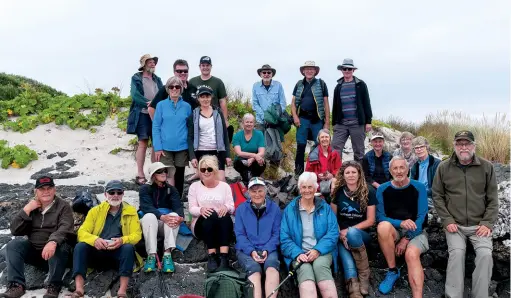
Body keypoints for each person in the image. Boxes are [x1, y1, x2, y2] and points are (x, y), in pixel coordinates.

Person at [432, 130, 498, 298]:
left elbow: (493, 199)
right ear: (454, 146)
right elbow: (437, 195)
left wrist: (487, 223)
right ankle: (453, 296)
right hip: (455, 226)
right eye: (459, 144)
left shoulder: (486, 167)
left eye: (467, 144)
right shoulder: (443, 167)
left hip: (479, 226)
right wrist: (447, 220)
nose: (463, 147)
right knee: (457, 253)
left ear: (473, 146)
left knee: (485, 255)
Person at [0, 176, 74, 298]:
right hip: (35, 252)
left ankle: (53, 286)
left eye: (49, 188)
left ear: (54, 189)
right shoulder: (32, 206)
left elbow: (65, 228)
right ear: (36, 191)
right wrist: (27, 210)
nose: (46, 192)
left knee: (61, 245)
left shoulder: (63, 206)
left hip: (56, 254)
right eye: (42, 189)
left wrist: (53, 241)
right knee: (13, 245)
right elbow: (14, 230)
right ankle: (16, 286)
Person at [70, 180, 142, 298]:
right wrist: (95, 240)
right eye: (111, 192)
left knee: (128, 248)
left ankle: (122, 291)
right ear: (105, 195)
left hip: (118, 253)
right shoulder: (95, 211)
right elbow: (82, 232)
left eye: (119, 192)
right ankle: (79, 290)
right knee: (80, 246)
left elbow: (137, 235)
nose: (115, 195)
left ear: (123, 194)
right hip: (97, 250)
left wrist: (122, 240)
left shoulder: (131, 211)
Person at [376, 157, 428, 297]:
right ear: (390, 171)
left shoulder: (419, 187)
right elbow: (380, 216)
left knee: (411, 254)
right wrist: (400, 223)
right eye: (395, 168)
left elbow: (422, 218)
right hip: (395, 230)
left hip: (416, 231)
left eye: (402, 168)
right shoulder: (382, 189)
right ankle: (392, 271)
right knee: (383, 226)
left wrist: (406, 239)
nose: (399, 171)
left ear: (407, 169)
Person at [280, 172, 339, 298]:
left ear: (315, 188)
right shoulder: (289, 210)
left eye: (310, 187)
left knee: (320, 266)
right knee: (304, 270)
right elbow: (284, 239)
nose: (307, 190)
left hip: (322, 252)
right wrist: (297, 253)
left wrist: (317, 250)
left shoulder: (325, 207)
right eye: (304, 187)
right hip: (300, 253)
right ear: (299, 188)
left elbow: (333, 233)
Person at [330, 161, 376, 298]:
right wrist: (340, 234)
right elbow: (333, 219)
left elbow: (371, 220)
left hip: (361, 236)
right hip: (340, 235)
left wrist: (348, 231)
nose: (351, 175)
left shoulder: (369, 191)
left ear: (359, 174)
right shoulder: (338, 192)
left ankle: (364, 275)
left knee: (353, 233)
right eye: (347, 172)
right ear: (343, 175)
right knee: (347, 260)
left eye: (354, 172)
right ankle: (354, 291)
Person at [235, 177, 281, 298]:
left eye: (260, 190)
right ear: (248, 192)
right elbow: (240, 235)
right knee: (253, 268)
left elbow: (277, 234)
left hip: (269, 248)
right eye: (253, 191)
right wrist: (251, 251)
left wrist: (266, 249)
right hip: (246, 250)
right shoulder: (240, 209)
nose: (257, 194)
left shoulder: (275, 209)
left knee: (272, 266)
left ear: (265, 191)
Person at [188, 155, 235, 272]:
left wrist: (226, 207)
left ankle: (224, 257)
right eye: (203, 170)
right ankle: (212, 255)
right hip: (202, 223)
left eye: (209, 169)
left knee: (223, 213)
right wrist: (201, 210)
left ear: (214, 170)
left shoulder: (224, 186)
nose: (206, 172)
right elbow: (191, 208)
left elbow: (232, 207)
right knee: (211, 213)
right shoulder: (194, 187)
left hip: (221, 223)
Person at [139, 162, 185, 273]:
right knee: (149, 216)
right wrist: (161, 216)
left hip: (166, 224)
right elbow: (146, 207)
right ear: (153, 175)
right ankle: (151, 255)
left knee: (174, 215)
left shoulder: (172, 189)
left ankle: (167, 254)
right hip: (150, 223)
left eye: (165, 170)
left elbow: (178, 207)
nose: (164, 173)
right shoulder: (145, 189)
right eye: (160, 171)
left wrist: (180, 218)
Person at [152, 76, 192, 197]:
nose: (174, 89)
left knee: (180, 174)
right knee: (166, 174)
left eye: (177, 86)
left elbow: (190, 128)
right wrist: (157, 147)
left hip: (182, 146)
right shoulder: (160, 105)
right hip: (165, 147)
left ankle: (178, 198)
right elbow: (156, 127)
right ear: (167, 88)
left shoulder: (187, 106)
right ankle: (167, 197)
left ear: (181, 88)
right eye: (171, 86)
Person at [128, 54, 163, 185]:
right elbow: (135, 95)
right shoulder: (136, 77)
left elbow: (162, 94)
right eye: (150, 62)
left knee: (156, 143)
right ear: (144, 64)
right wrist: (147, 103)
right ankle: (140, 173)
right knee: (142, 142)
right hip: (142, 113)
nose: (153, 64)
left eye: (154, 62)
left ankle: (155, 171)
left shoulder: (157, 79)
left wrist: (156, 105)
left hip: (156, 114)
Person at [291, 61, 330, 176]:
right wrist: (295, 116)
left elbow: (326, 103)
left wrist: (327, 122)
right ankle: (298, 173)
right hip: (302, 119)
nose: (309, 71)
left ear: (315, 71)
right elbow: (293, 103)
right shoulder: (299, 84)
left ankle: (319, 172)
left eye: (311, 69)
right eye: (307, 69)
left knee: (320, 146)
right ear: (303, 71)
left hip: (317, 119)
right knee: (300, 146)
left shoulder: (321, 84)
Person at [331, 58, 373, 162]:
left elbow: (366, 103)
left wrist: (368, 121)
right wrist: (334, 124)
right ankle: (338, 175)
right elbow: (335, 106)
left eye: (349, 69)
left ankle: (359, 175)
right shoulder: (338, 87)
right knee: (335, 149)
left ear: (353, 70)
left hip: (357, 123)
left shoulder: (361, 85)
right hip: (341, 123)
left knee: (359, 151)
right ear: (341, 70)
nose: (347, 71)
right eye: (345, 69)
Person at [187, 86, 231, 182]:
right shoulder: (193, 114)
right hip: (201, 150)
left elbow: (225, 134)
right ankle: (198, 174)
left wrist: (228, 155)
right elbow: (190, 137)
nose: (205, 99)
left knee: (221, 181)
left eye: (207, 96)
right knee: (207, 181)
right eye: (202, 97)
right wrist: (192, 156)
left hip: (218, 150)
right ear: (198, 98)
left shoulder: (218, 112)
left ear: (211, 97)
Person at [189, 56, 228, 126]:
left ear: (211, 66)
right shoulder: (192, 81)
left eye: (207, 65)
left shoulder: (218, 82)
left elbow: (223, 102)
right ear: (199, 66)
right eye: (203, 65)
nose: (205, 67)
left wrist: (225, 119)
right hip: (196, 118)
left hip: (213, 118)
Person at [305, 129, 341, 196]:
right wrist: (317, 176)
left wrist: (331, 175)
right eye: (322, 137)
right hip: (316, 184)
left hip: (331, 183)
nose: (324, 139)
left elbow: (339, 170)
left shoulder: (335, 153)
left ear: (330, 139)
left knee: (335, 183)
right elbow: (308, 173)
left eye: (326, 137)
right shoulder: (313, 155)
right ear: (318, 139)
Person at [251, 64, 287, 132]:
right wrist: (265, 117)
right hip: (261, 121)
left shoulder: (278, 85)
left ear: (272, 74)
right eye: (264, 72)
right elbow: (255, 104)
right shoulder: (255, 86)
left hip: (276, 120)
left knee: (276, 141)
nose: (266, 74)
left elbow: (283, 103)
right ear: (261, 74)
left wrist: (275, 116)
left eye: (269, 72)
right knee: (260, 140)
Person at [232, 113, 266, 185]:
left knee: (261, 161)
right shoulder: (237, 136)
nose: (249, 124)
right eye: (247, 122)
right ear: (243, 123)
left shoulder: (259, 134)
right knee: (240, 162)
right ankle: (245, 180)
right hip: (242, 160)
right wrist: (254, 155)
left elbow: (262, 152)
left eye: (251, 122)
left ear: (254, 124)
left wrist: (253, 158)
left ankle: (255, 179)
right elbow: (239, 153)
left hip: (255, 161)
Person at [410, 136, 440, 206]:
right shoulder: (415, 166)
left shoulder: (437, 164)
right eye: (416, 148)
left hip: (431, 198)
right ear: (414, 150)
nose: (419, 149)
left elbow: (438, 188)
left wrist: (422, 193)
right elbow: (411, 184)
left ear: (427, 147)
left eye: (422, 147)